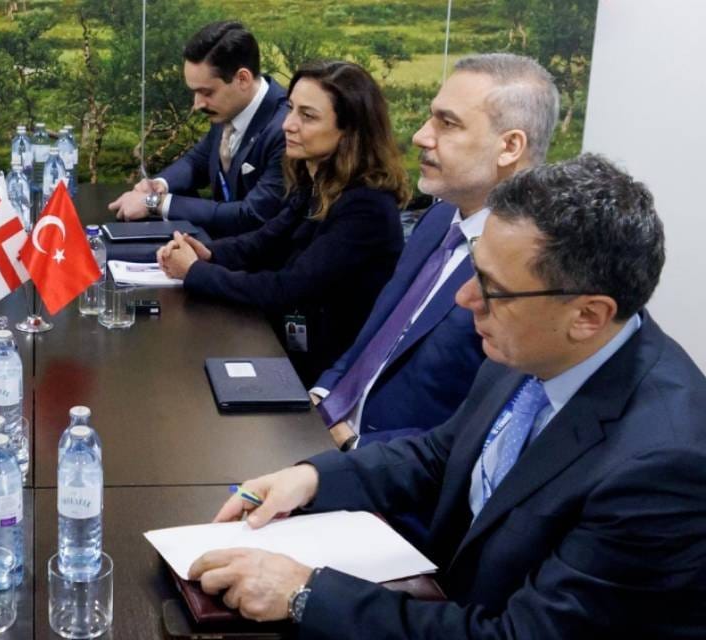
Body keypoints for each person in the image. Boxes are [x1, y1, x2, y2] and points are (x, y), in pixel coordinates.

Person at [191, 154, 706, 638]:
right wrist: (312, 478)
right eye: (474, 270)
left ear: (588, 315)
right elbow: (444, 454)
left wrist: (304, 593)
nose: (464, 298)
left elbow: (519, 633)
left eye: (492, 288)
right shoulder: (534, 344)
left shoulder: (661, 465)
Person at [311, 53, 559, 449]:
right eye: (431, 118)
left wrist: (352, 446)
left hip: (389, 471)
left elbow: (488, 430)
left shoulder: (537, 268)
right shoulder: (440, 217)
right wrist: (322, 395)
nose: (421, 137)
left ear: (510, 146)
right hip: (323, 430)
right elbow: (377, 335)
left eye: (448, 123)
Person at [157, 61, 409, 385]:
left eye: (308, 116)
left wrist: (195, 272)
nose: (288, 125)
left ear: (350, 130)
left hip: (326, 376)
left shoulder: (367, 207)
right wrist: (208, 253)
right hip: (290, 348)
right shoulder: (315, 180)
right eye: (291, 109)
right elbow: (263, 242)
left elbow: (287, 289)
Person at [109, 21, 289, 238]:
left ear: (242, 79)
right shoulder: (228, 108)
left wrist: (155, 203)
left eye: (207, 92)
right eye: (194, 92)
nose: (197, 104)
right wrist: (159, 185)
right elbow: (199, 160)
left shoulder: (286, 129)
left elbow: (251, 215)